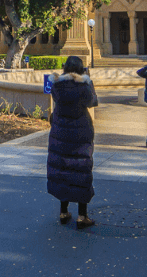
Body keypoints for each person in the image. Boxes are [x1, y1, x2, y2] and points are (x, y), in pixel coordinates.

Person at [47, 55, 99, 228]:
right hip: (80, 134)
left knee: (63, 170)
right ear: (80, 69)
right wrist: (88, 80)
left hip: (60, 132)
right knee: (80, 171)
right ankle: (82, 216)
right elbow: (93, 102)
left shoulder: (56, 85)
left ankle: (63, 212)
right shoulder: (83, 86)